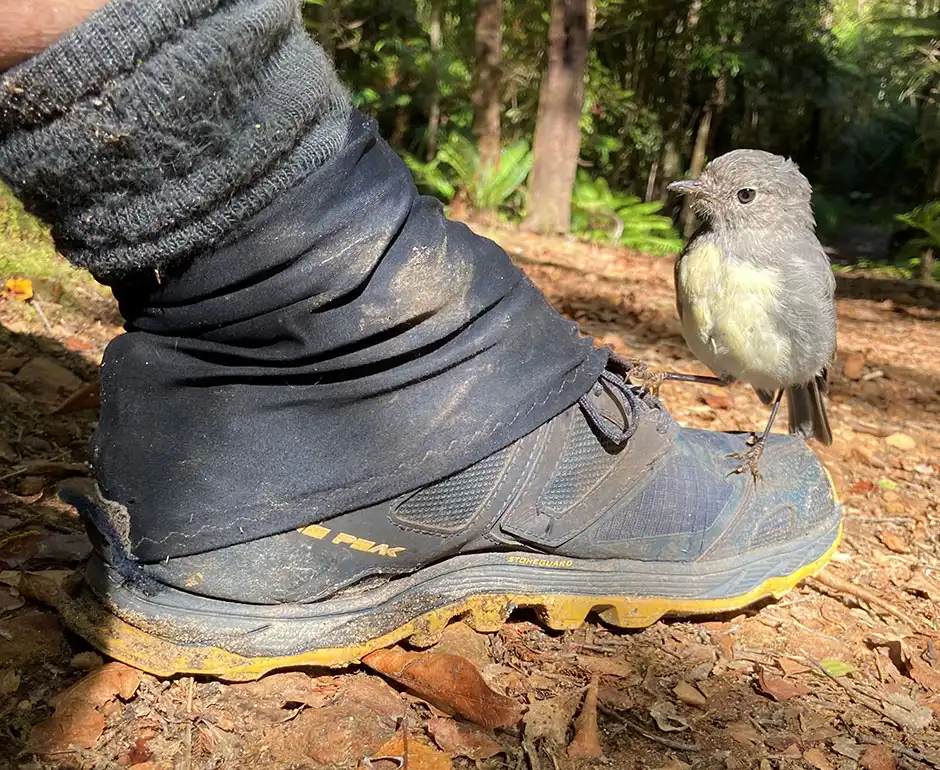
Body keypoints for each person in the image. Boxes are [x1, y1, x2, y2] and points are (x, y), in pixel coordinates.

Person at [0, 0, 841, 680]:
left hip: (202, 471)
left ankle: (226, 459)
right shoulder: (701, 253)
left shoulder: (785, 265)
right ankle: (407, 407)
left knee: (242, 281)